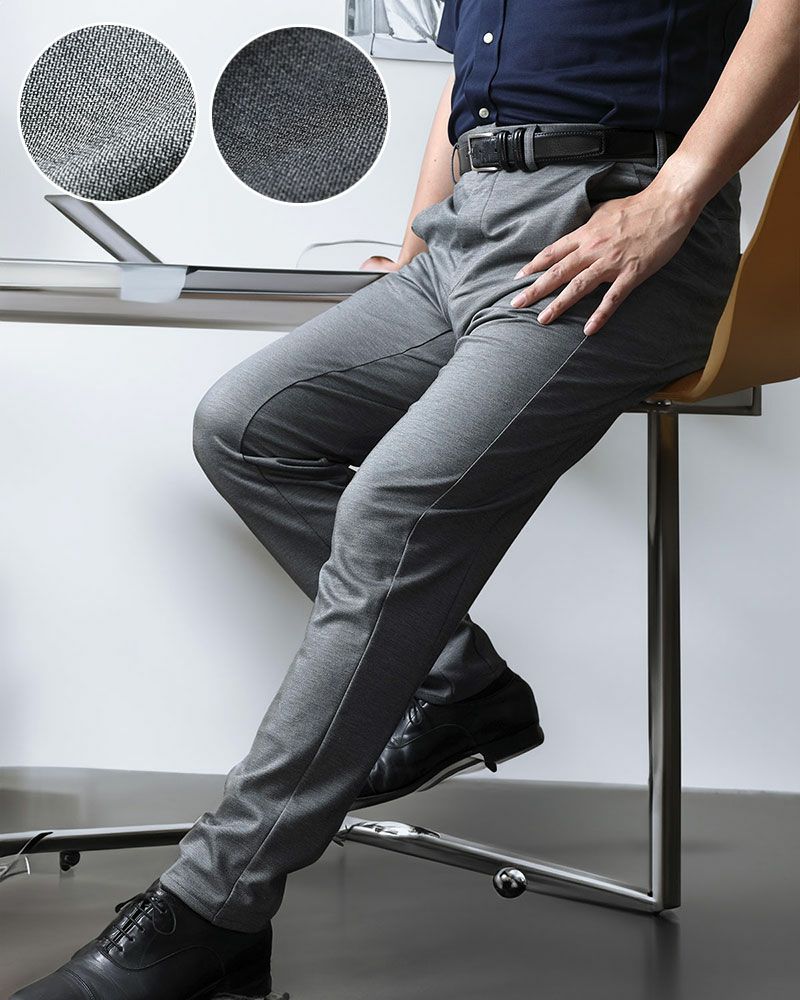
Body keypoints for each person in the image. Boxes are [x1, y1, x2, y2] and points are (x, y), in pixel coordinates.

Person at [14, 2, 798, 997]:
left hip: (610, 222)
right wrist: (419, 249)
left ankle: (214, 906)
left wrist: (673, 197)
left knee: (389, 512)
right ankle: (454, 684)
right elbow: (463, 88)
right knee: (245, 427)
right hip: (466, 233)